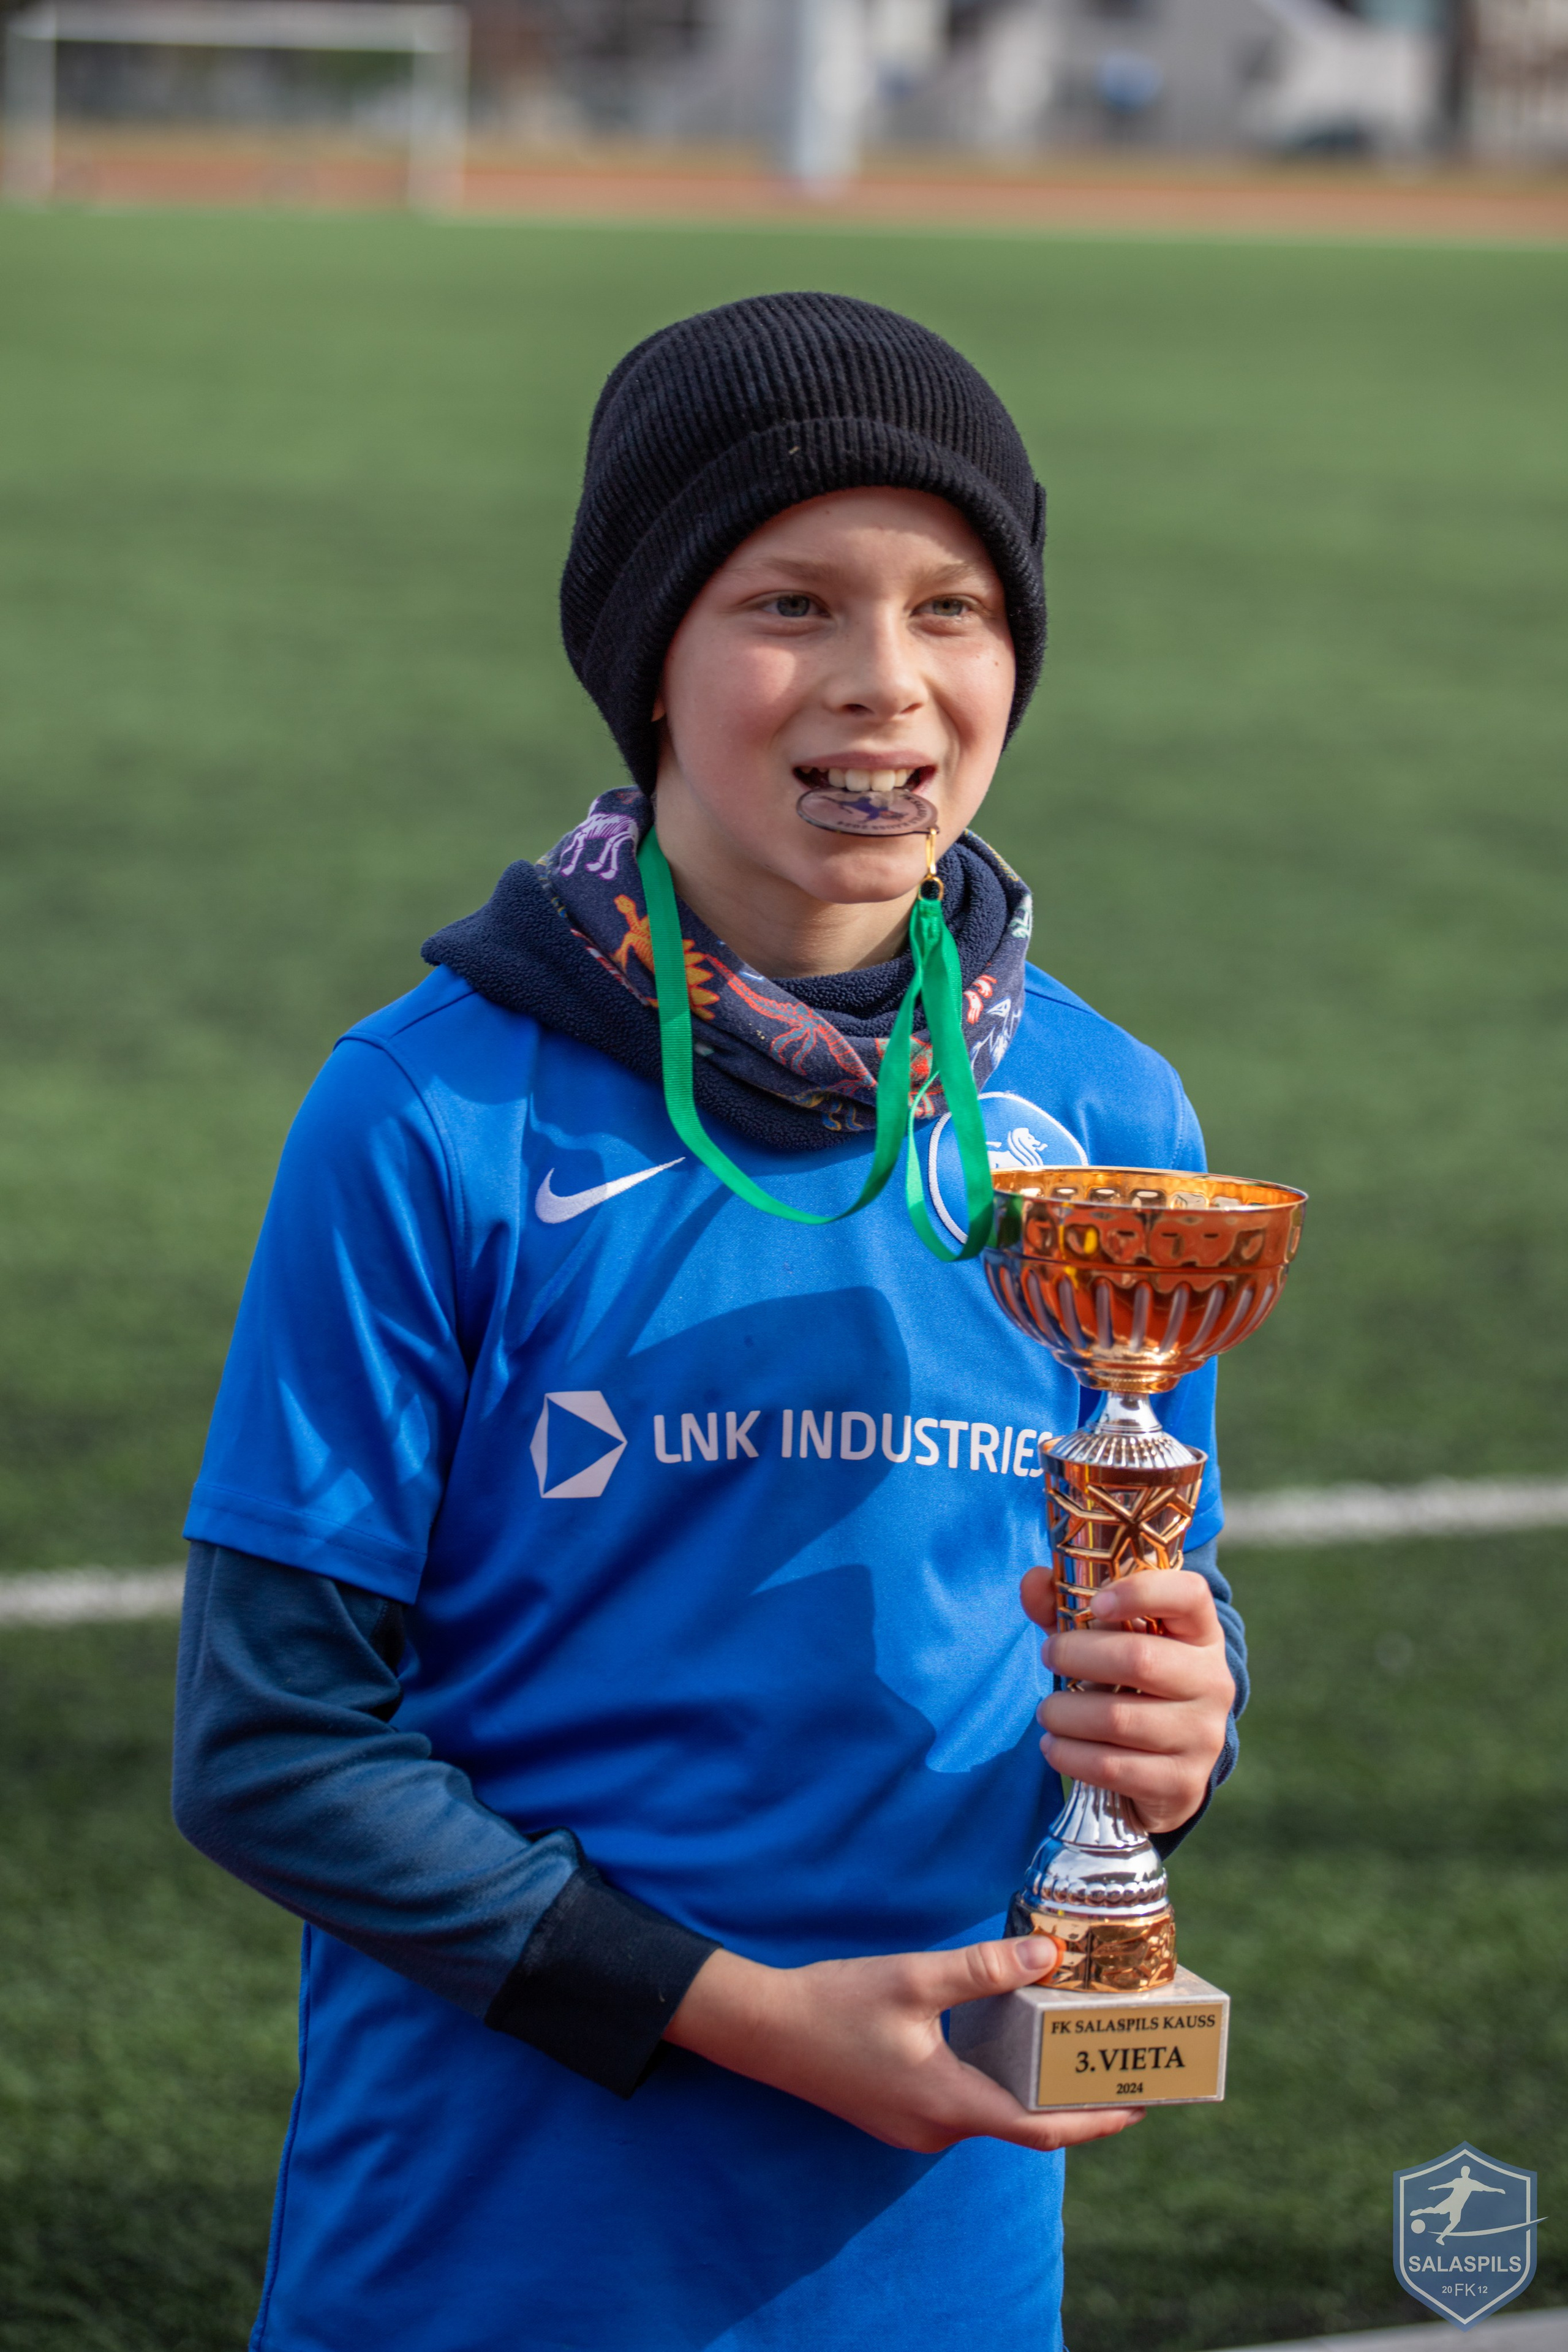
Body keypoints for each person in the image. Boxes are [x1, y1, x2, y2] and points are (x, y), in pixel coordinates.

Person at [174, 292, 1246, 2352]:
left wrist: (1187, 1725)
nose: (889, 685)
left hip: (940, 2244)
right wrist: (747, 2021)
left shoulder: (1110, 1121)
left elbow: (1161, 1593)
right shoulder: (431, 1110)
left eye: (955, 608)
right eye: (790, 603)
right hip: (505, 2248)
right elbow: (273, 1744)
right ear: (647, 658)